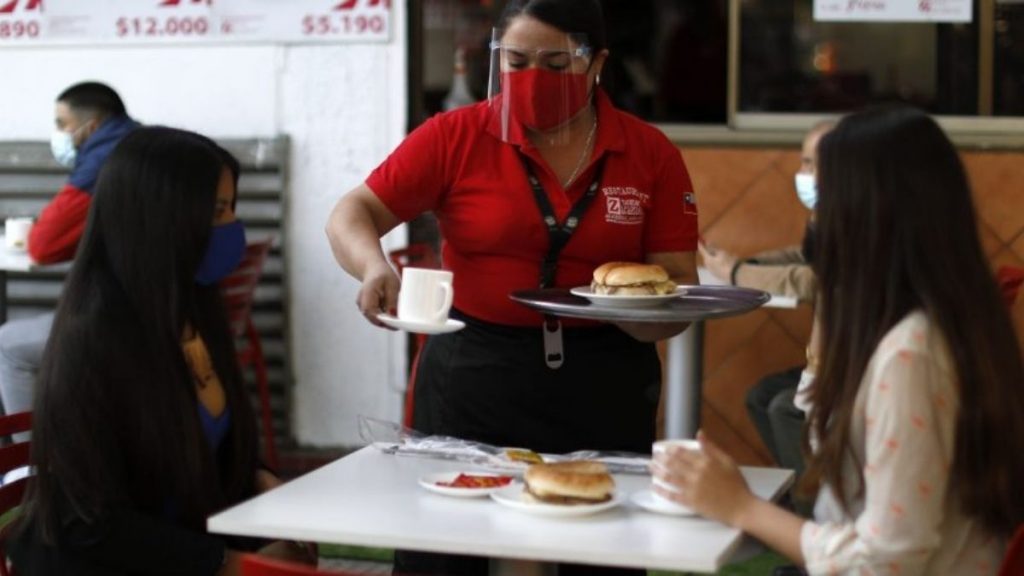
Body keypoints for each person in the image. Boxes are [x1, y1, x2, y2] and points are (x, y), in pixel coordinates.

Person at [325, 1, 698, 573]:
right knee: (444, 547)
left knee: (606, 549)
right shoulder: (457, 134)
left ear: (597, 63)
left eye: (556, 64)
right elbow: (354, 211)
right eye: (516, 61)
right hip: (475, 368)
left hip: (604, 373)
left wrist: (635, 311)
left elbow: (677, 290)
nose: (533, 80)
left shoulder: (650, 154)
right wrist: (374, 267)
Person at [652, 106, 1024, 574]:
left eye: (829, 196)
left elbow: (887, 561)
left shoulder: (912, 351)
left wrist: (741, 506)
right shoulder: (930, 316)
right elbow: (816, 418)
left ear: (867, 213)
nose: (817, 215)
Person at [9, 127, 307, 575]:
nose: (233, 228)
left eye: (232, 208)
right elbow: (87, 519)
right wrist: (230, 566)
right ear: (162, 220)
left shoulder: (194, 311)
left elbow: (211, 445)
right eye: (218, 211)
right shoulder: (95, 340)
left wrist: (265, 487)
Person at [699, 121, 833, 479]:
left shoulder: (861, 220)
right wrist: (743, 264)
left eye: (815, 163)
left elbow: (813, 280)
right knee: (761, 396)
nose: (804, 173)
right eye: (804, 162)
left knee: (784, 407)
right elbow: (805, 257)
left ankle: (813, 510)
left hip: (849, 366)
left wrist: (737, 274)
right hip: (830, 362)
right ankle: (801, 492)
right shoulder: (824, 216)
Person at [0, 81, 139, 421]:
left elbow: (43, 245)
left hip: (127, 318)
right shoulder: (137, 145)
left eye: (62, 124)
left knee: (7, 348)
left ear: (90, 126)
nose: (58, 133)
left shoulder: (105, 162)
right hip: (151, 305)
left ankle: (30, 467)